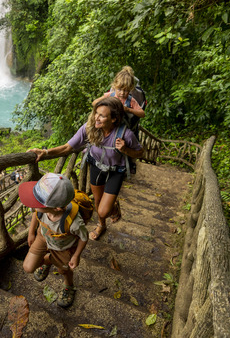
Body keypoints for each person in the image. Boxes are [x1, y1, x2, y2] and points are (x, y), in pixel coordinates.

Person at [29, 97, 143, 240]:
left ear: (113, 119)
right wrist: (45, 152)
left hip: (116, 171)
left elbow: (140, 152)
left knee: (103, 210)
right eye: (96, 113)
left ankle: (112, 207)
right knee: (97, 201)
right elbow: (67, 147)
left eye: (102, 115)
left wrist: (125, 149)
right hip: (96, 165)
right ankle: (101, 225)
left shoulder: (125, 134)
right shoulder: (89, 128)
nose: (96, 117)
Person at [19, 172, 89, 308]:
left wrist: (76, 256)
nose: (33, 205)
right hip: (43, 237)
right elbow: (36, 213)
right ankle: (50, 260)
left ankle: (68, 285)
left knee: (64, 270)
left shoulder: (74, 223)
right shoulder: (42, 210)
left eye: (37, 202)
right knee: (28, 267)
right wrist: (31, 232)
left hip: (63, 247)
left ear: (56, 208)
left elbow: (83, 237)